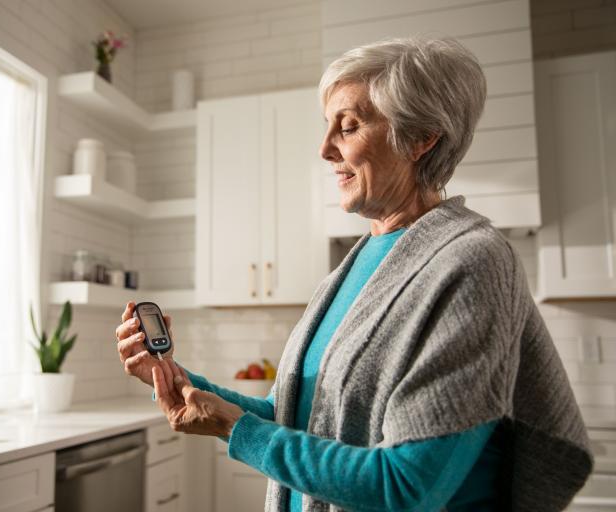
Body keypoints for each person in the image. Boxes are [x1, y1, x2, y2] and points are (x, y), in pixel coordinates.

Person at [114, 37, 592, 511]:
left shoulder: (471, 262)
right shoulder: (345, 272)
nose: (325, 149)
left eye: (349, 126)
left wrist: (233, 429)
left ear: (421, 137)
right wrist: (173, 378)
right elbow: (296, 418)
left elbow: (406, 486)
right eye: (328, 127)